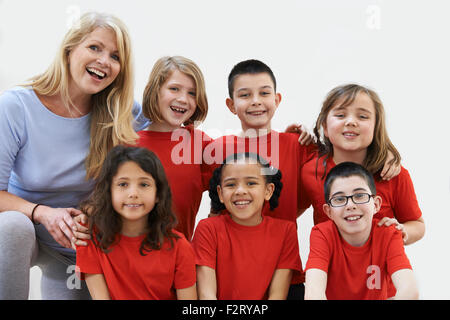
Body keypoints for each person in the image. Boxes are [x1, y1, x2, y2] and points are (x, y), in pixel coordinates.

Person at [0, 12, 148, 299]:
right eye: (95, 47)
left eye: (115, 56)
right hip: (26, 229)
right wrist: (42, 213)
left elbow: (166, 126)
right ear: (70, 50)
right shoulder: (15, 107)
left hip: (77, 245)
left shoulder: (121, 112)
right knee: (12, 227)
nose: (104, 61)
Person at [202, 59, 314, 298]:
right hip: (230, 276)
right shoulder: (217, 149)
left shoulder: (297, 144)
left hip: (284, 273)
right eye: (245, 95)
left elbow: (338, 162)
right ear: (231, 105)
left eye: (264, 93)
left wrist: (387, 154)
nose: (255, 101)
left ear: (277, 99)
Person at [299, 84, 424, 245]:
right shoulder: (311, 170)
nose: (351, 122)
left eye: (363, 117)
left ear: (376, 126)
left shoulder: (392, 174)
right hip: (329, 267)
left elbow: (417, 224)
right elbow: (290, 214)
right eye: (341, 115)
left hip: (380, 266)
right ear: (325, 127)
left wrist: (401, 231)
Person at [76, 146, 197, 300]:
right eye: (123, 184)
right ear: (109, 192)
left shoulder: (180, 247)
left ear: (158, 194)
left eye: (144, 184)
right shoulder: (89, 236)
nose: (133, 193)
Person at [192, 152, 301, 300]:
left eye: (251, 183)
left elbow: (277, 296)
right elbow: (206, 295)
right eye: (231, 185)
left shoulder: (286, 231)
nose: (240, 191)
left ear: (268, 191)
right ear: (221, 193)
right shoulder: (207, 229)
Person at [304, 162, 419, 300]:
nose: (350, 205)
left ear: (376, 204)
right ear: (329, 212)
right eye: (340, 199)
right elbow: (313, 293)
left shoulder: (388, 233)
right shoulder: (322, 234)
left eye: (359, 196)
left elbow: (409, 291)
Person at [137, 56, 210, 240]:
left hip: (180, 263)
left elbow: (245, 167)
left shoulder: (200, 144)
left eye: (192, 93)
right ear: (154, 91)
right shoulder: (126, 144)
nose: (183, 99)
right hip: (130, 262)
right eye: (174, 89)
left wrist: (289, 141)